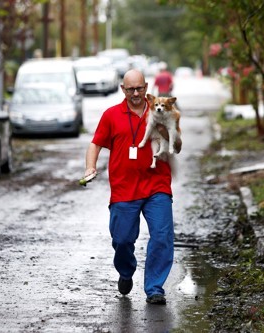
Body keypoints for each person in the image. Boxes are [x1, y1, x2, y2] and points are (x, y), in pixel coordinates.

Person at [83, 69, 182, 305]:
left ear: (146, 87)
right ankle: (126, 271)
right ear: (122, 90)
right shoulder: (111, 115)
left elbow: (177, 146)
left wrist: (168, 136)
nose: (136, 93)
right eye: (131, 89)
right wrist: (90, 167)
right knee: (123, 239)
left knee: (161, 236)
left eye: (139, 88)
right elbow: (95, 144)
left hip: (157, 184)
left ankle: (155, 287)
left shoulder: (161, 110)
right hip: (124, 188)